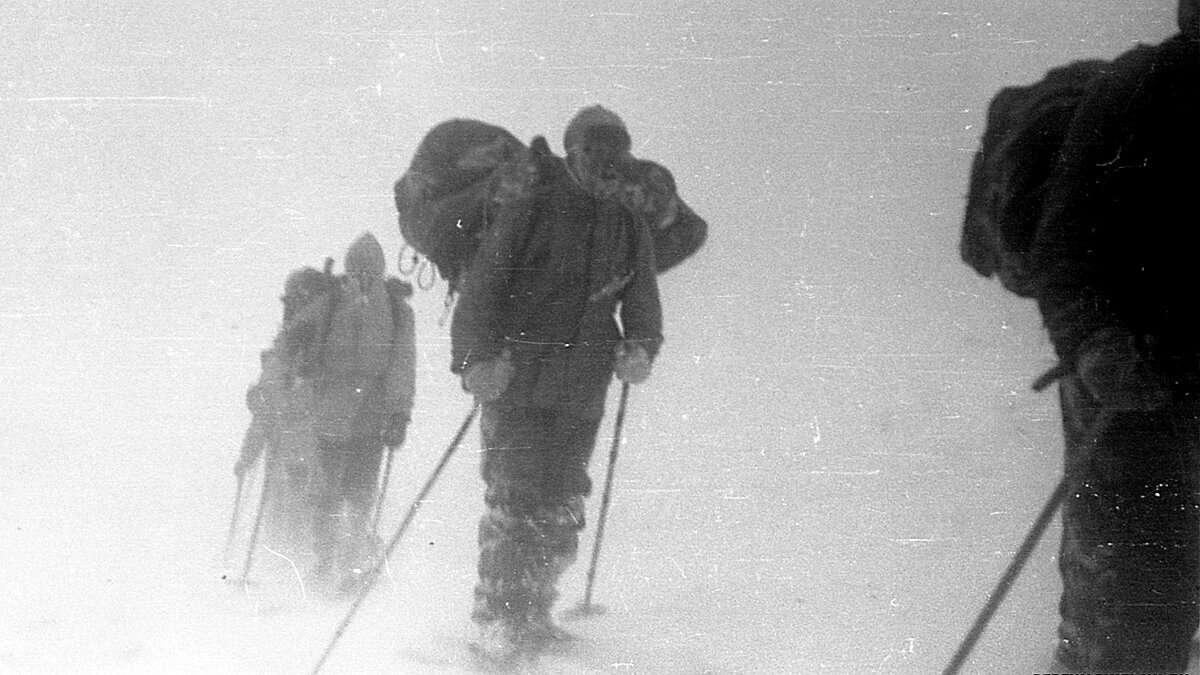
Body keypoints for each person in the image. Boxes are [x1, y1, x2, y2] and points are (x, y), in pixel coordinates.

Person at [967, 2, 1198, 670]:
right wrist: (1096, 342)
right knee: (1131, 611)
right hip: (1132, 383)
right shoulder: (1140, 90)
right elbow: (1063, 248)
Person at [449, 105, 663, 667]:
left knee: (562, 501)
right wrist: (477, 361)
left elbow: (642, 298)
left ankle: (536, 609)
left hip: (582, 386)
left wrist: (641, 345)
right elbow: (485, 286)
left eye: (615, 156)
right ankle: (496, 616)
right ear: (572, 152)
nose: (605, 167)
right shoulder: (533, 205)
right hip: (518, 382)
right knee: (514, 498)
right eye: (595, 154)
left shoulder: (626, 221)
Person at [271, 232, 417, 594]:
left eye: (371, 272)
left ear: (381, 272)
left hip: (372, 417)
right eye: (357, 272)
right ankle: (324, 562)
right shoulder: (332, 301)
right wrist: (296, 356)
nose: (364, 279)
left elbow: (402, 364)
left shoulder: (398, 312)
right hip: (330, 414)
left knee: (361, 496)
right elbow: (292, 338)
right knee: (327, 494)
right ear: (349, 272)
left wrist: (399, 413)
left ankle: (353, 565)